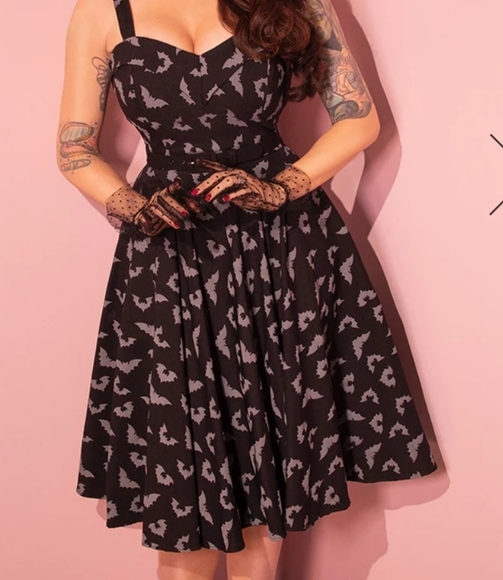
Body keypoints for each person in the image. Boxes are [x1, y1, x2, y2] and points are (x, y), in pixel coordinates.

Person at [56, 0, 438, 578]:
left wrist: (282, 188)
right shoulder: (104, 11)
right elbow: (73, 149)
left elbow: (360, 120)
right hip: (170, 256)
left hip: (276, 250)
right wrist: (134, 207)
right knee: (182, 484)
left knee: (268, 479)